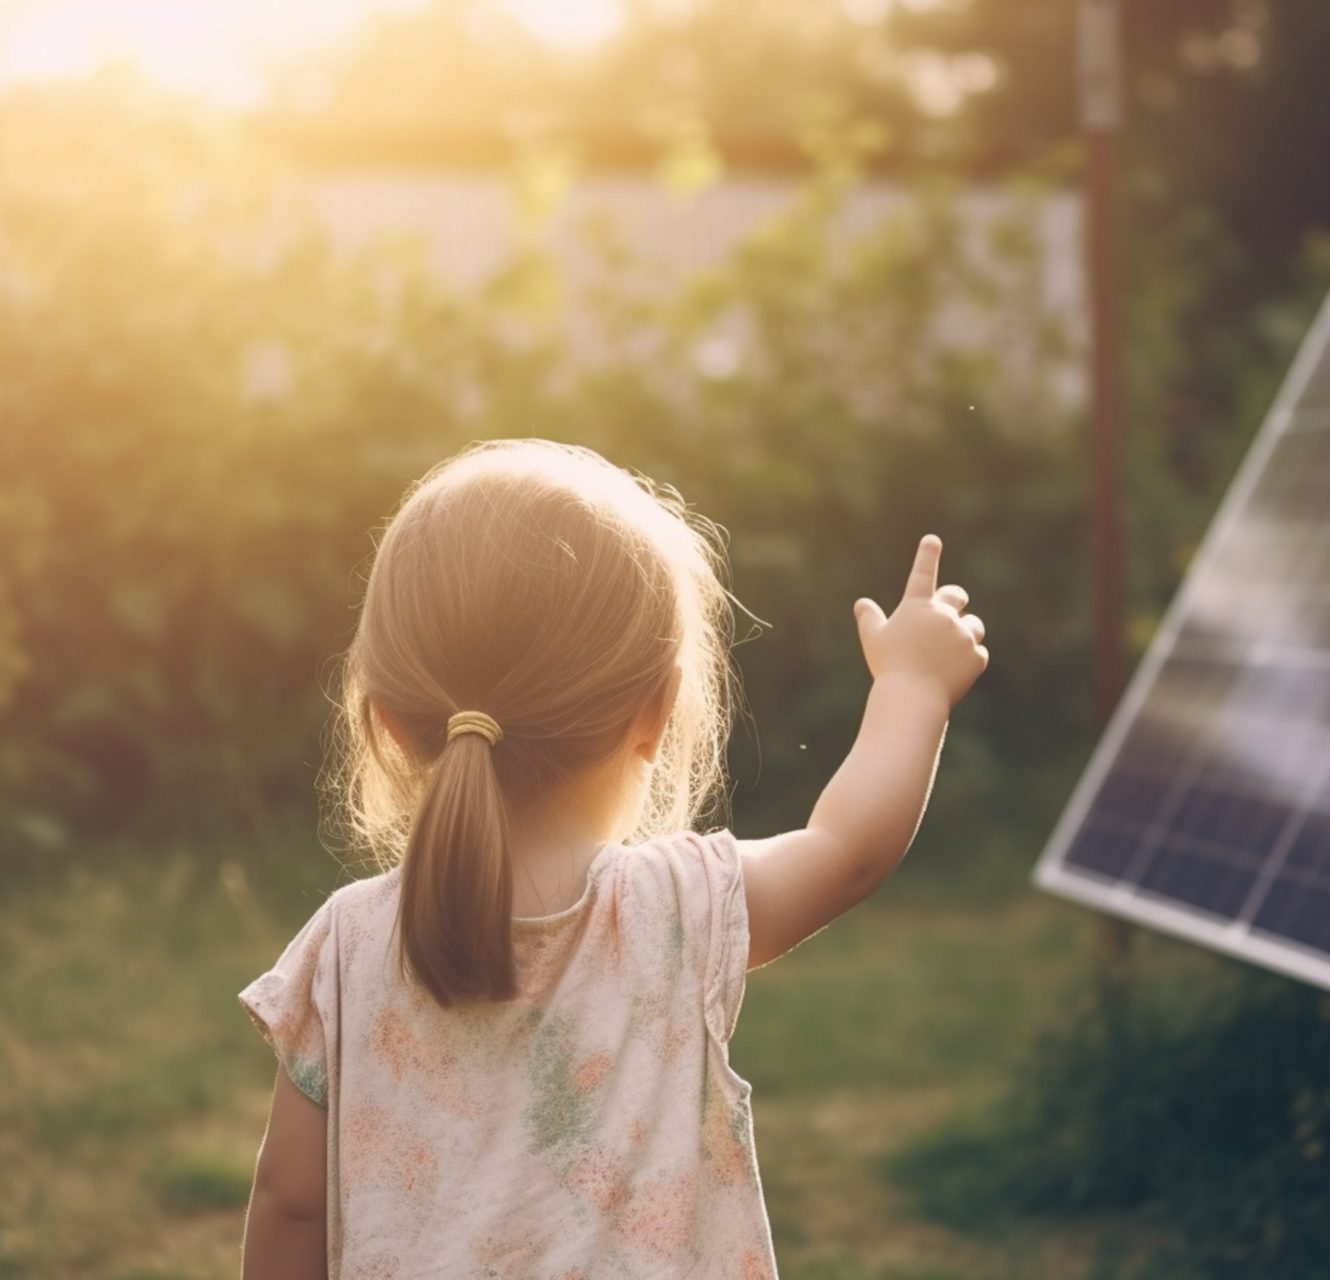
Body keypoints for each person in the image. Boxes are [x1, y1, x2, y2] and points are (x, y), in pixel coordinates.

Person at [237, 438, 988, 1277]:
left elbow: (290, 1203)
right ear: (656, 712)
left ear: (386, 721)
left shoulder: (344, 947)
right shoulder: (677, 910)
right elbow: (849, 849)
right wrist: (912, 687)